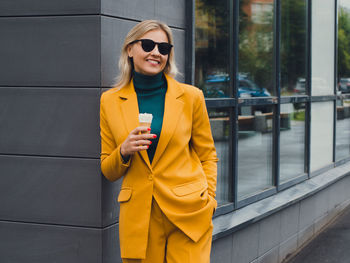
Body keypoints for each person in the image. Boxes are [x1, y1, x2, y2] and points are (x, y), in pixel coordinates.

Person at [100, 20, 218, 263]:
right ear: (130, 50)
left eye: (163, 48)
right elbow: (108, 170)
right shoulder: (110, 101)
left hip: (189, 210)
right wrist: (123, 150)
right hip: (139, 216)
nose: (156, 52)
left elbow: (208, 155)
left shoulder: (191, 97)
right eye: (148, 44)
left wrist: (210, 200)